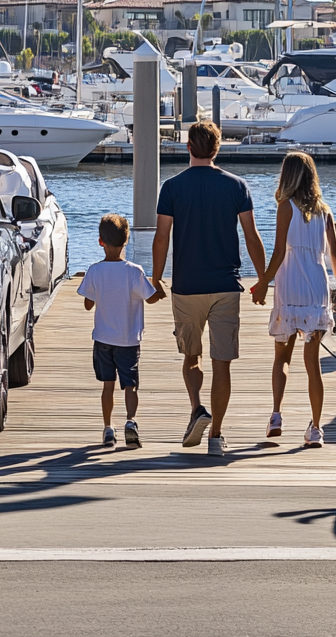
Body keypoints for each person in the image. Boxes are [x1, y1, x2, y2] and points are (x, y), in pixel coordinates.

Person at [152, 120, 266, 455]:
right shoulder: (237, 186)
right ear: (218, 149)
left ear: (188, 147)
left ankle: (197, 407)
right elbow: (251, 236)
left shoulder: (171, 188)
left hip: (186, 287)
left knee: (191, 357)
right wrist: (262, 279)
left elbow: (161, 238)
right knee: (222, 363)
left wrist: (157, 278)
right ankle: (216, 435)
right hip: (227, 286)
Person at [251, 152, 336, 448]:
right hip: (316, 287)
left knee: (282, 356)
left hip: (290, 284)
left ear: (287, 176)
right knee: (312, 362)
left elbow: (279, 253)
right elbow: (335, 255)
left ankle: (277, 415)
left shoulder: (285, 207)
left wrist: (262, 283)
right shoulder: (325, 211)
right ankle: (316, 429)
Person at [79, 213, 164, 449]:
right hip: (128, 339)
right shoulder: (134, 271)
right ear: (126, 241)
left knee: (108, 385)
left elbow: (87, 304)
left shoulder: (94, 271)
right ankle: (130, 422)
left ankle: (108, 428)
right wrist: (158, 289)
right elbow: (150, 299)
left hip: (103, 339)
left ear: (100, 242)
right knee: (130, 384)